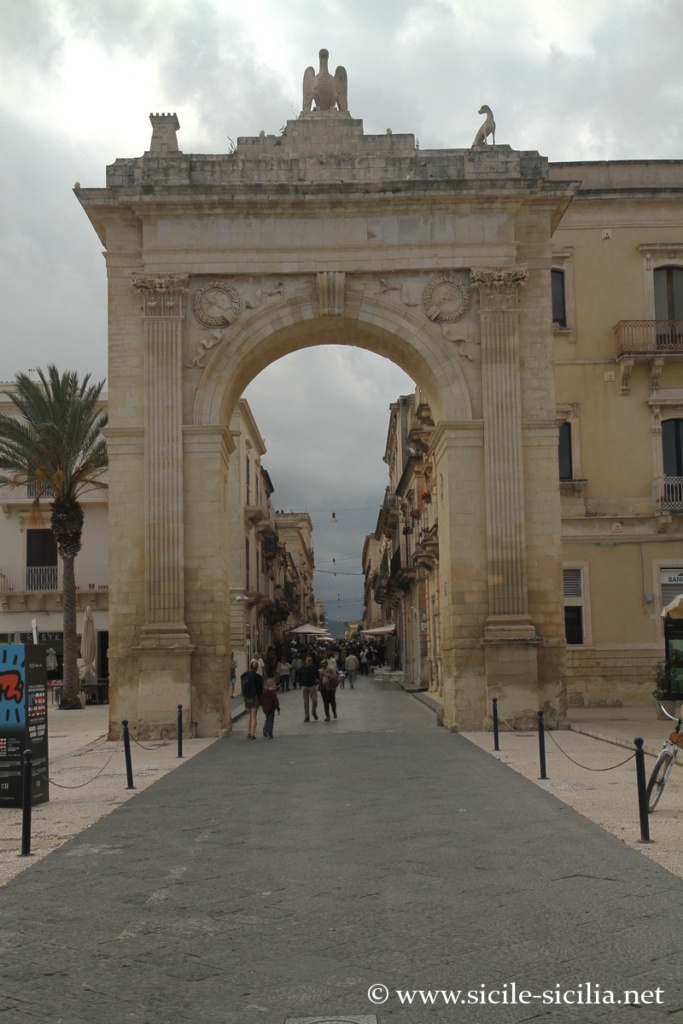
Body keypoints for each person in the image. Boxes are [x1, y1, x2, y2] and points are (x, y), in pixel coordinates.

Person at [241, 659, 263, 740]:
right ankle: (253, 734)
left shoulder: (244, 675)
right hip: (255, 696)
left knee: (249, 715)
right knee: (254, 716)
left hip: (247, 696)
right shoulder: (258, 677)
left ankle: (248, 733)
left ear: (250, 667)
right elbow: (260, 689)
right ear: (257, 668)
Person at [298, 654, 320, 722]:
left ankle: (313, 712)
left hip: (312, 686)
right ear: (305, 661)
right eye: (308, 660)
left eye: (311, 660)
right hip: (305, 687)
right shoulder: (302, 668)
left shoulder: (314, 667)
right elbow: (299, 677)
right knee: (306, 702)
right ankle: (307, 716)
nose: (310, 661)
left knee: (315, 700)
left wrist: (317, 680)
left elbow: (317, 675)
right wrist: (301, 685)